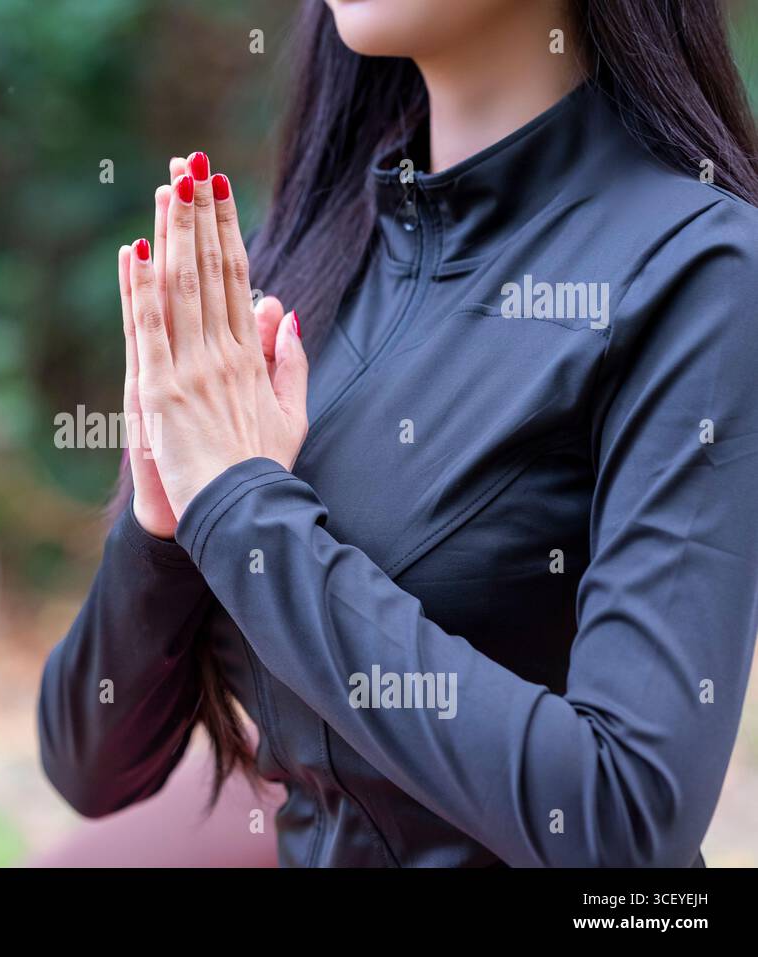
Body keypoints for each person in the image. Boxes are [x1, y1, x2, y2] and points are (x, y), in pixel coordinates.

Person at [38, 0, 758, 867]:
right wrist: (163, 528)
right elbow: (89, 764)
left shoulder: (700, 271)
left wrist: (244, 510)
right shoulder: (301, 266)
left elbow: (624, 820)